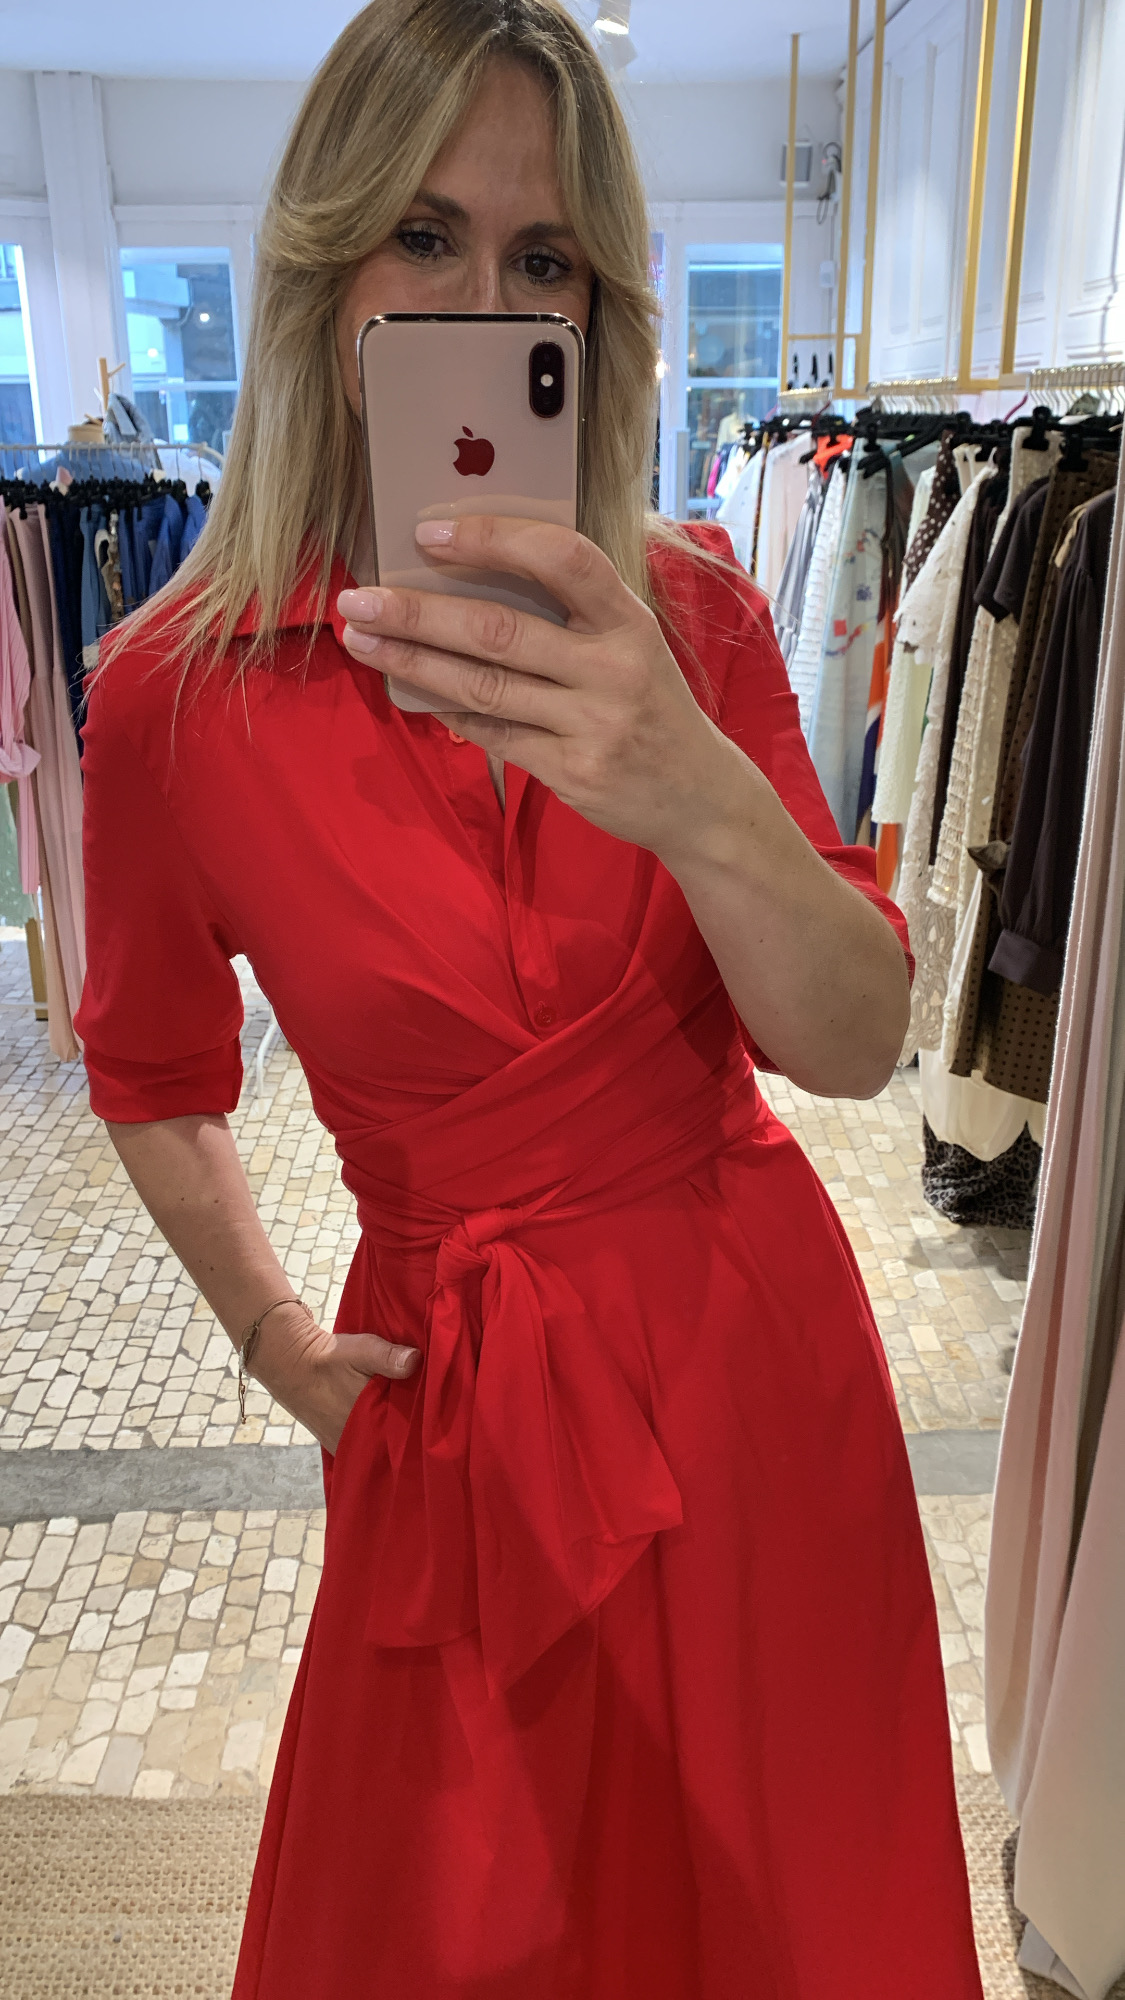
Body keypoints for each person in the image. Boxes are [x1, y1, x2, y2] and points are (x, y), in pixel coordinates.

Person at [76, 2, 985, 1995]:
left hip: (749, 1379)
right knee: (446, 1921)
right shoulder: (170, 698)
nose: (484, 304)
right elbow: (147, 1071)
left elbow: (852, 1044)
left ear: (598, 312)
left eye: (542, 258)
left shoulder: (692, 618)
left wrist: (689, 786)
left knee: (779, 1919)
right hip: (454, 1416)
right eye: (423, 236)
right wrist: (274, 1338)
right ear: (322, 271)